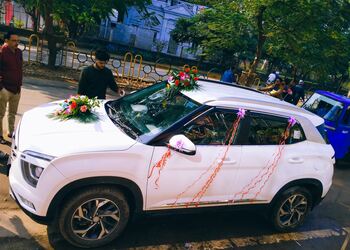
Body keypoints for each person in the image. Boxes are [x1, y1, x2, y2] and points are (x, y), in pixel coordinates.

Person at [0, 31, 23, 144]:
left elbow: (19, 69)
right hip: (4, 89)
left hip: (16, 89)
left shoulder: (19, 52)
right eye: (13, 40)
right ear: (6, 41)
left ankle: (11, 131)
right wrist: (1, 88)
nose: (16, 43)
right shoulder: (2, 52)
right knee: (0, 114)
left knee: (12, 113)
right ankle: (0, 136)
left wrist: (19, 85)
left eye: (17, 40)